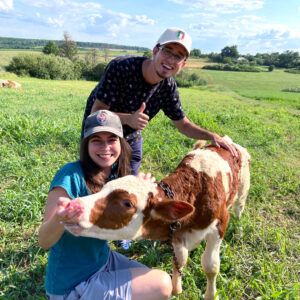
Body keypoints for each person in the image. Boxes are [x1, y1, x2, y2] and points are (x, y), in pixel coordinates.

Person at [38, 110, 172, 300]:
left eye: (112, 139)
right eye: (96, 140)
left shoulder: (116, 175)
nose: (105, 147)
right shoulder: (70, 176)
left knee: (148, 277)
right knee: (162, 284)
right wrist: (60, 217)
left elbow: (132, 213)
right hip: (72, 284)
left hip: (103, 260)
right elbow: (44, 241)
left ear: (121, 143)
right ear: (86, 145)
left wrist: (141, 189)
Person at [82, 27, 237, 176]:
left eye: (178, 56)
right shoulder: (122, 67)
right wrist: (129, 119)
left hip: (131, 138)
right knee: (94, 183)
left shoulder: (168, 88)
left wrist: (213, 136)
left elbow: (183, 125)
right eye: (167, 51)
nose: (170, 59)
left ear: (183, 64)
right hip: (100, 132)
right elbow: (96, 113)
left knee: (127, 191)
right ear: (155, 50)